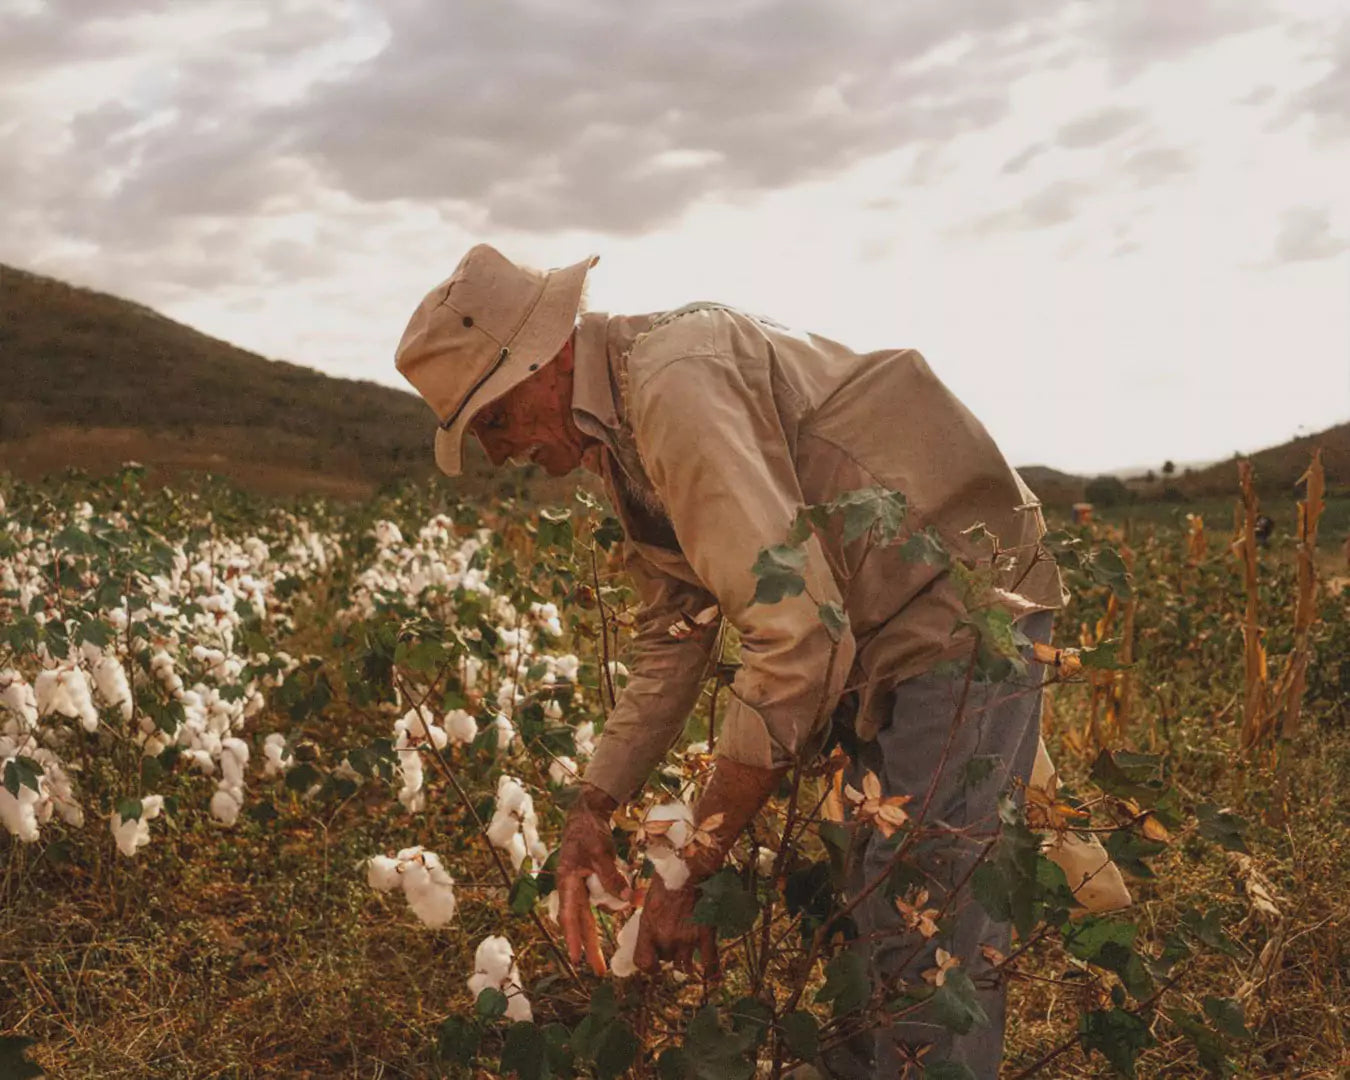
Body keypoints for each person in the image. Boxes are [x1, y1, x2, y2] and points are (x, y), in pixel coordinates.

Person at [395, 244, 1066, 1077]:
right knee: (875, 897)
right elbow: (676, 630)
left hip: (958, 608)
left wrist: (696, 858)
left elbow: (799, 640)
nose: (498, 451)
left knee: (923, 913)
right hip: (879, 620)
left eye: (494, 417)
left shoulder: (675, 387)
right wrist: (591, 805)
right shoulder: (620, 437)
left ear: (549, 356)